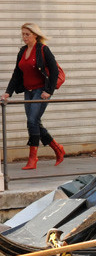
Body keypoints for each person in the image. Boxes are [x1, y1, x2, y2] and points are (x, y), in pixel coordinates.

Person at [2, 23, 64, 170]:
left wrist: (48, 91)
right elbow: (17, 74)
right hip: (28, 91)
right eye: (22, 34)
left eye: (27, 34)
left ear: (35, 35)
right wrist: (8, 92)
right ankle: (57, 148)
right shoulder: (22, 51)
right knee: (34, 122)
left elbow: (54, 71)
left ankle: (33, 159)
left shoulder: (43, 49)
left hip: (41, 91)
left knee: (32, 120)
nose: (24, 37)